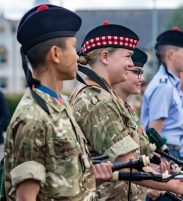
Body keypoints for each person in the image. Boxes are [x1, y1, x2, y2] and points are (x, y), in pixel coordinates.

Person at [4, 5, 112, 201]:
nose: (79, 56)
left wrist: (91, 180)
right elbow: (25, 197)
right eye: (73, 46)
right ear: (55, 54)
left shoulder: (59, 104)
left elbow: (59, 183)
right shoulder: (34, 116)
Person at [112, 48, 183, 201]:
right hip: (118, 191)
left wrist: (157, 171)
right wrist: (166, 185)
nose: (141, 79)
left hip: (141, 181)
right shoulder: (163, 86)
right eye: (136, 72)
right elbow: (128, 160)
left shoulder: (127, 108)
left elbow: (141, 151)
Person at [141, 27, 183, 161]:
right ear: (171, 54)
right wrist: (159, 159)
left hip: (172, 149)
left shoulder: (171, 84)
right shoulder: (163, 86)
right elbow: (155, 130)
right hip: (168, 150)